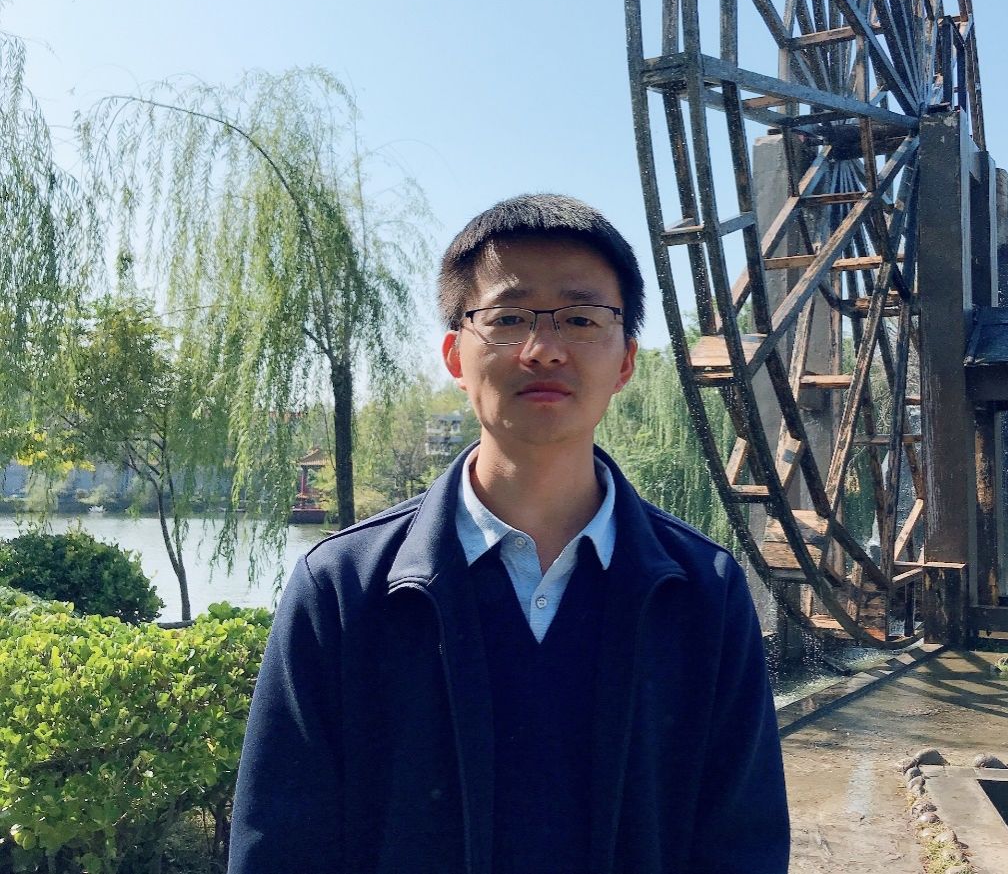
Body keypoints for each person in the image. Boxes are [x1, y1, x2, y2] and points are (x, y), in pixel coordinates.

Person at [229, 193, 790, 874]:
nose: (544, 350)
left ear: (625, 360)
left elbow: (743, 846)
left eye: (581, 319)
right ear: (454, 356)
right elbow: (280, 850)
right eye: (508, 318)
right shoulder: (342, 589)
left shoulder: (705, 594)